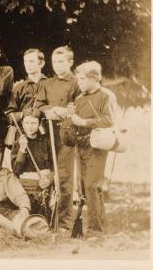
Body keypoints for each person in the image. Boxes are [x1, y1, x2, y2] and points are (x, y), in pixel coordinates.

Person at [35, 46, 81, 232]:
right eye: (54, 62)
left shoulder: (77, 83)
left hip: (67, 138)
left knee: (64, 179)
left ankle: (64, 224)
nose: (57, 65)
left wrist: (64, 113)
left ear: (70, 62)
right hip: (48, 136)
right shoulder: (47, 83)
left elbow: (80, 106)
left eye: (61, 61)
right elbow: (38, 105)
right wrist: (49, 111)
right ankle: (46, 219)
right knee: (46, 176)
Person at [68, 61, 117, 236]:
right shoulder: (79, 99)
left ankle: (96, 231)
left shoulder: (106, 95)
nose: (79, 82)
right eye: (78, 79)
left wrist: (84, 122)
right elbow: (73, 123)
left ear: (95, 78)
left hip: (97, 146)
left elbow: (109, 120)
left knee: (91, 185)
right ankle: (97, 227)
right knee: (85, 187)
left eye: (82, 79)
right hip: (80, 147)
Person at [11, 109, 53, 216]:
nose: (30, 126)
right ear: (22, 124)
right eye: (27, 123)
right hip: (26, 187)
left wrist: (49, 179)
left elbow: (55, 167)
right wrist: (22, 149)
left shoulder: (47, 141)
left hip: (44, 185)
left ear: (39, 123)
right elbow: (16, 170)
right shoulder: (17, 143)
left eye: (34, 123)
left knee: (46, 215)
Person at [6, 48, 47, 122]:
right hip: (24, 131)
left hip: (47, 129)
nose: (28, 64)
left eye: (31, 61)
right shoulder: (18, 88)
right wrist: (23, 114)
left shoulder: (50, 85)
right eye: (26, 61)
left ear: (41, 63)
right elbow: (9, 115)